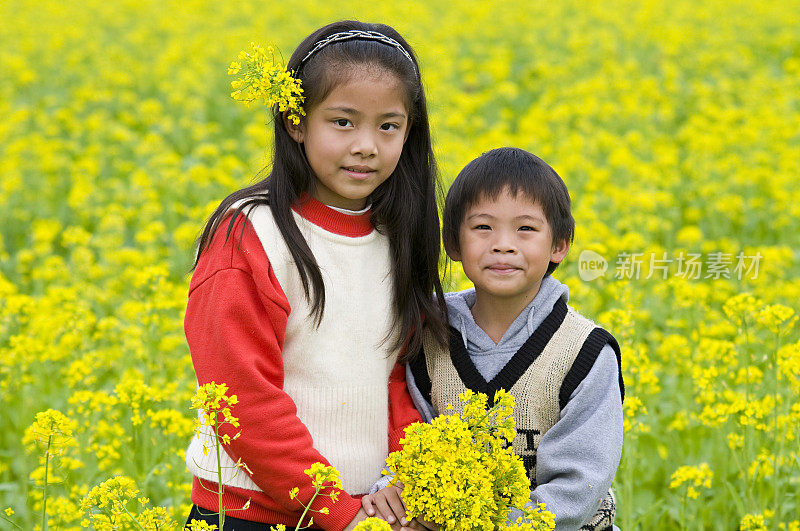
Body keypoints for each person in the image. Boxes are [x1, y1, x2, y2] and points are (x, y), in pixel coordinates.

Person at [182, 20, 448, 531]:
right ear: (295, 122)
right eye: (343, 122)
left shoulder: (398, 235)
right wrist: (337, 513)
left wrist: (410, 480)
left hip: (363, 510)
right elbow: (243, 400)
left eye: (388, 126)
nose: (367, 145)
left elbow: (397, 379)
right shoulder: (250, 235)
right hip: (252, 514)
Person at [363, 147, 624, 530]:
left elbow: (578, 487)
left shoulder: (584, 353)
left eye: (526, 229)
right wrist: (396, 489)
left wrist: (480, 525)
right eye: (483, 227)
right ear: (452, 243)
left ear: (559, 245)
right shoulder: (428, 339)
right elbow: (410, 441)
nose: (503, 244)